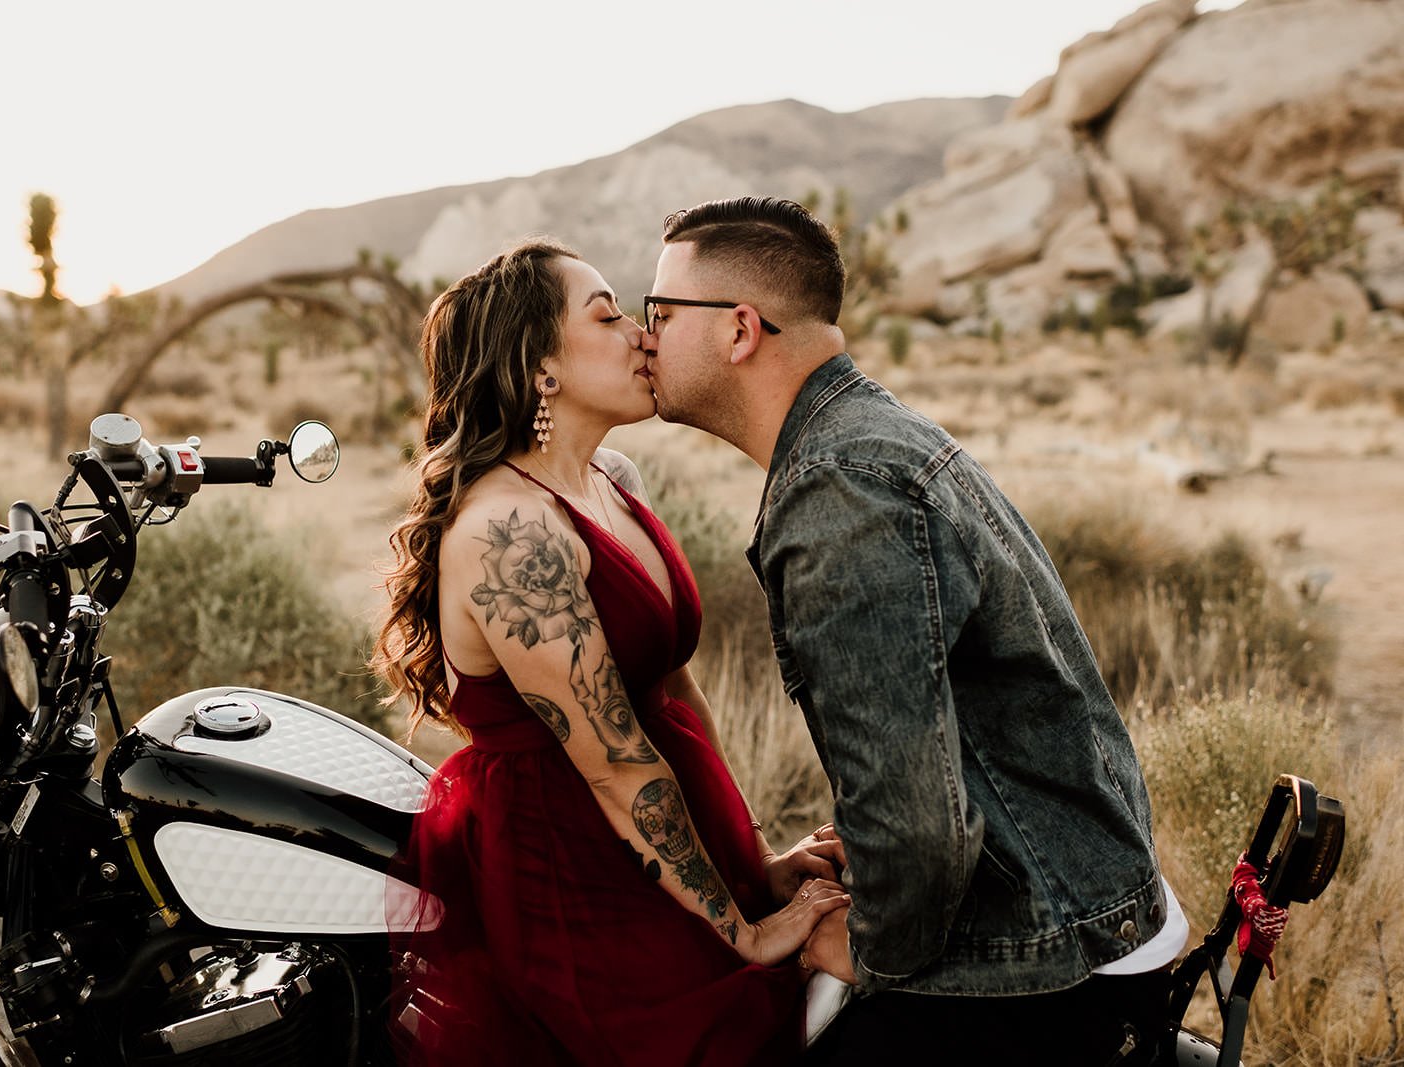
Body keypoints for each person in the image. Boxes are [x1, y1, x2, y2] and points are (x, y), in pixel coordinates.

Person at [640, 197, 1186, 1064]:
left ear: (740, 329)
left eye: (660, 313)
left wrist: (871, 947)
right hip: (1078, 902)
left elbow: (919, 824)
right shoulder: (871, 437)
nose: (645, 336)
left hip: (1046, 959)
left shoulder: (838, 491)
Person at [372, 237, 850, 1066]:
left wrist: (751, 857)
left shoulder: (614, 477)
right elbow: (616, 761)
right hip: (575, 877)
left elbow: (672, 696)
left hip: (667, 842)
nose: (641, 333)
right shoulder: (506, 532)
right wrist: (743, 930)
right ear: (541, 367)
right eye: (608, 314)